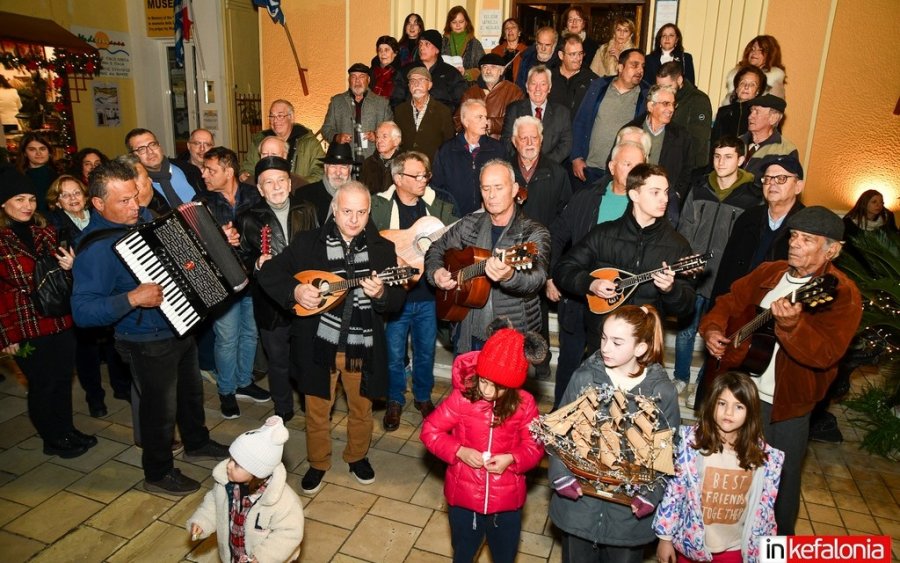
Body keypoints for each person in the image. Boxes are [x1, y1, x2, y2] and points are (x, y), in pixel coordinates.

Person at [700, 206, 862, 535]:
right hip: (740, 394)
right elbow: (729, 300)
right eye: (793, 236)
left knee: (779, 490)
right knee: (728, 476)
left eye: (807, 239)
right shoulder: (770, 272)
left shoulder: (841, 294)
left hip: (785, 407)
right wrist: (713, 329)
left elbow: (826, 354)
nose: (795, 244)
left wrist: (790, 328)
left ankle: (776, 552)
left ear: (831, 250)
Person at [72, 160, 229, 495]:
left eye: (135, 196)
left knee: (190, 394)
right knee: (159, 409)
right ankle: (157, 473)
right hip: (143, 339)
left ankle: (197, 443)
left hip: (180, 324)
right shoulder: (95, 249)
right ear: (98, 204)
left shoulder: (143, 218)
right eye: (124, 201)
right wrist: (131, 298)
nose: (135, 206)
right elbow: (82, 311)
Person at [257, 181, 406, 495]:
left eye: (361, 212)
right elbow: (270, 273)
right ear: (335, 211)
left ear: (369, 213)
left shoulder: (382, 250)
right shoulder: (307, 243)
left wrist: (381, 293)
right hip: (318, 344)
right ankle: (318, 461)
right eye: (347, 211)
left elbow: (396, 302)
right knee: (317, 410)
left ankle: (357, 457)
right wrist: (296, 290)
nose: (354, 219)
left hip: (360, 346)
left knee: (361, 408)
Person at [549, 304, 680, 563]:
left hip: (627, 520)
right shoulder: (584, 377)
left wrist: (651, 495)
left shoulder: (662, 392)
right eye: (604, 338)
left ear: (640, 348)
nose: (606, 348)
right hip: (580, 511)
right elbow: (558, 432)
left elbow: (665, 453)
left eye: (617, 342)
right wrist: (561, 476)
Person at [421, 326, 545, 563]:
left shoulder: (524, 404)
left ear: (512, 385)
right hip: (464, 498)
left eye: (497, 386)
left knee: (504, 556)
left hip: (506, 501)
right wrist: (458, 451)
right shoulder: (462, 399)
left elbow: (535, 445)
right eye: (484, 382)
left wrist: (513, 458)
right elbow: (431, 430)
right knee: (463, 553)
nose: (487, 391)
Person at [554, 164, 696, 357]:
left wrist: (671, 290)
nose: (664, 199)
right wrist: (591, 283)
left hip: (645, 345)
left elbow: (686, 307)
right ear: (634, 195)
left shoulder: (677, 245)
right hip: (603, 343)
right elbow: (563, 269)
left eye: (665, 192)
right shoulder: (603, 234)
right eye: (655, 192)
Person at [0, 165, 91, 459]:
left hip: (59, 319)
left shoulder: (47, 232)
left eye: (30, 199)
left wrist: (69, 268)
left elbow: (61, 277)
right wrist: (6, 336)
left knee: (64, 378)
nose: (27, 206)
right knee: (42, 383)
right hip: (24, 325)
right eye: (19, 200)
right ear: (3, 203)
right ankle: (52, 439)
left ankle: (66, 429)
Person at [548, 139, 647, 407]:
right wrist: (550, 276)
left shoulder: (645, 207)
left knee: (604, 370)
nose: (634, 170)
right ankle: (559, 418)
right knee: (569, 362)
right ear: (612, 166)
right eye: (627, 164)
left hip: (617, 305)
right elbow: (557, 236)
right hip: (577, 297)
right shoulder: (587, 197)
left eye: (640, 165)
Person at [653, 372, 784, 563]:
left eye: (738, 406)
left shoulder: (764, 459)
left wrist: (768, 555)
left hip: (736, 548)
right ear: (711, 404)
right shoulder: (690, 447)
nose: (728, 413)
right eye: (722, 403)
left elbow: (765, 513)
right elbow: (674, 494)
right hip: (692, 546)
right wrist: (665, 539)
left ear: (751, 412)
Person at [426, 160, 550, 355]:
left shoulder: (533, 233)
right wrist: (436, 272)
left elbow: (537, 278)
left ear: (514, 189)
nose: (491, 195)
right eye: (485, 188)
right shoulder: (469, 223)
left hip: (511, 334)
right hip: (467, 330)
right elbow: (436, 248)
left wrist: (510, 276)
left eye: (498, 188)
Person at [370, 151, 457, 430]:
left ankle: (422, 397)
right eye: (416, 175)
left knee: (425, 352)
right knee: (394, 353)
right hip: (396, 299)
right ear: (398, 178)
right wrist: (394, 258)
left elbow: (452, 244)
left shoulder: (436, 208)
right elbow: (373, 242)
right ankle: (394, 399)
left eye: (425, 175)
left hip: (428, 298)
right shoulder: (380, 207)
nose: (423, 180)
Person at [673, 136, 762, 405]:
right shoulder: (699, 188)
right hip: (695, 273)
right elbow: (685, 227)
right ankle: (680, 377)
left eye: (728, 157)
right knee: (686, 330)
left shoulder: (752, 197)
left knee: (716, 334)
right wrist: (684, 262)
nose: (721, 162)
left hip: (726, 279)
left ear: (741, 159)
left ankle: (705, 384)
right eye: (717, 156)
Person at [237, 156, 318, 422]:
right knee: (278, 359)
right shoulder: (248, 219)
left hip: (306, 294)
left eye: (281, 180)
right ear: (259, 189)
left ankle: (311, 403)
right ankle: (283, 407)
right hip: (270, 302)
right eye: (268, 183)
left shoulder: (307, 209)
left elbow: (320, 248)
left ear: (289, 182)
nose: (276, 187)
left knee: (306, 355)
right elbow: (241, 259)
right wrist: (255, 263)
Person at [47, 174, 132, 416]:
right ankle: (95, 397)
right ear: (57, 201)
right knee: (87, 354)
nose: (72, 198)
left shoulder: (100, 218)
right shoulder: (56, 228)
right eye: (65, 194)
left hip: (110, 291)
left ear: (88, 198)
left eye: (76, 192)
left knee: (113, 346)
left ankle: (121, 387)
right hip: (81, 294)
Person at [196, 147, 269, 418]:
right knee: (227, 338)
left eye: (211, 170)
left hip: (252, 278)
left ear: (229, 172)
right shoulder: (201, 201)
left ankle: (243, 382)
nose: (204, 174)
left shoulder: (253, 194)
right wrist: (218, 238)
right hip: (222, 282)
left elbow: (266, 230)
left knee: (250, 334)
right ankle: (226, 390)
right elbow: (193, 243)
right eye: (204, 169)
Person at [188, 416, 304, 563]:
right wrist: (202, 521)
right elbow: (213, 503)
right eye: (231, 459)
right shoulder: (225, 485)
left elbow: (289, 534)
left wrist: (262, 557)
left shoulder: (283, 501)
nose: (229, 465)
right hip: (233, 556)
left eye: (237, 464)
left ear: (256, 471)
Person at [570, 49, 648, 190]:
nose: (640, 70)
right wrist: (576, 157)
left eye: (642, 66)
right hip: (591, 168)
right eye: (634, 65)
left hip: (622, 173)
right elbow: (580, 122)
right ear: (620, 67)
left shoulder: (645, 96)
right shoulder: (598, 87)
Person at [622, 84, 693, 223]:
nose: (671, 109)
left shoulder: (682, 136)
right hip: (632, 195)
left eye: (673, 104)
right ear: (650, 106)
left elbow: (688, 170)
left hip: (665, 199)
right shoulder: (631, 131)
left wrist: (677, 194)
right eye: (666, 104)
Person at [431, 99, 506, 216]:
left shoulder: (497, 149)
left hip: (488, 217)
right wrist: (450, 212)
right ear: (465, 121)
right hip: (454, 218)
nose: (485, 122)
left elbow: (505, 183)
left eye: (485, 117)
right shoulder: (446, 151)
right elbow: (437, 188)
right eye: (479, 117)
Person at [240, 99, 325, 184]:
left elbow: (320, 171)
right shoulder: (260, 141)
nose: (275, 120)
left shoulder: (309, 142)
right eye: (272, 116)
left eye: (280, 116)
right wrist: (244, 174)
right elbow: (248, 168)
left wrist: (297, 185)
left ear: (291, 117)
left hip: (300, 194)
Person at [322, 63, 393, 163]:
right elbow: (326, 129)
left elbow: (391, 132)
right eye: (353, 77)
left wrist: (376, 136)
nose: (357, 81)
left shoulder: (382, 103)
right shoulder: (336, 101)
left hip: (374, 162)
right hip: (344, 162)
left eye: (361, 77)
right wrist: (336, 137)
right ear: (349, 80)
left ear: (368, 80)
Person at [501, 65, 572, 164]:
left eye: (543, 84)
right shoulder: (514, 110)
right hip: (520, 167)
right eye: (533, 83)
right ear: (527, 86)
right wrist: (524, 161)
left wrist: (542, 164)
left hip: (551, 169)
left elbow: (566, 144)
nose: (538, 89)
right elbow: (506, 141)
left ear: (549, 88)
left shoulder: (562, 113)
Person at [125, 128, 205, 211]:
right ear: (132, 156)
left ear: (159, 146)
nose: (150, 152)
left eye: (152, 144)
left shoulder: (189, 169)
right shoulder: (137, 189)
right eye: (141, 149)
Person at [655, 61, 712, 173]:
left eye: (667, 86)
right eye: (659, 87)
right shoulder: (661, 98)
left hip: (689, 168)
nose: (663, 91)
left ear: (679, 80)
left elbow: (698, 140)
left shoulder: (698, 100)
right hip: (667, 163)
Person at [394, 66, 456, 164]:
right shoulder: (399, 111)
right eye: (413, 81)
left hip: (433, 168)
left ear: (430, 85)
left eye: (421, 80)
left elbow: (449, 144)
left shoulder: (443, 111)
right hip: (406, 168)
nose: (416, 84)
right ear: (409, 86)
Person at [398, 29, 467, 114]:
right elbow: (397, 99)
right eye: (420, 44)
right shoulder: (406, 71)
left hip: (441, 120)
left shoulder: (451, 73)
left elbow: (459, 101)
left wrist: (442, 113)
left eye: (427, 44)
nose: (422, 48)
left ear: (437, 50)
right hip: (411, 119)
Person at [456, 53, 524, 139]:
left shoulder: (514, 91)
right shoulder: (471, 92)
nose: (488, 71)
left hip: (504, 144)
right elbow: (458, 119)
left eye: (493, 67)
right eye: (485, 67)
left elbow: (518, 120)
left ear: (501, 71)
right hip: (475, 143)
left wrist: (490, 123)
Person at [739, 94, 797, 179]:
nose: (750, 116)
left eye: (757, 112)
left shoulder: (786, 151)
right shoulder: (737, 142)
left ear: (773, 118)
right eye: (751, 111)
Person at [296, 142, 355, 224]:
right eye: (333, 166)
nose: (338, 172)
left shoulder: (359, 198)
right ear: (325, 168)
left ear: (350, 170)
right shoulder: (305, 196)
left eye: (343, 166)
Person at [710, 65, 767, 148]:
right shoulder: (724, 112)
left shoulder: (762, 114)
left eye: (752, 84)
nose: (746, 87)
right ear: (737, 87)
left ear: (758, 91)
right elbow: (714, 143)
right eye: (743, 83)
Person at [721, 35, 786, 105]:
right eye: (752, 49)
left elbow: (774, 110)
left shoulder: (773, 80)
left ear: (770, 54)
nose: (754, 52)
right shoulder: (736, 76)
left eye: (760, 50)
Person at [548, 34, 599, 121]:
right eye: (573, 54)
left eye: (580, 53)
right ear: (561, 55)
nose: (578, 58)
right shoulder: (548, 77)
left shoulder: (591, 80)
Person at [16, 132, 58, 213]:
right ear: (24, 153)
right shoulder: (16, 177)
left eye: (42, 149)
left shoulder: (59, 175)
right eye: (32, 149)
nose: (38, 153)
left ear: (49, 152)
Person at [441, 6, 485, 82]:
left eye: (461, 22)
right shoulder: (442, 43)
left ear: (466, 23)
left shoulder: (475, 44)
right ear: (449, 24)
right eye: (454, 22)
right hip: (446, 87)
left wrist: (466, 73)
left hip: (469, 88)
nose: (458, 25)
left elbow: (484, 68)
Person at [360, 121, 402, 194]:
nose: (378, 140)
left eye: (384, 136)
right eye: (377, 137)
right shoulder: (368, 163)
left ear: (396, 141)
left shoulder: (405, 163)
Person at [515, 26, 559, 91]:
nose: (543, 49)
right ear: (536, 43)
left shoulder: (561, 64)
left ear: (554, 45)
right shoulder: (526, 59)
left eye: (547, 45)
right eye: (540, 44)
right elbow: (519, 87)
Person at [558, 6, 599, 71]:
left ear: (583, 24)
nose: (574, 22)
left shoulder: (592, 45)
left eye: (578, 19)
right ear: (566, 23)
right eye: (570, 19)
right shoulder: (557, 42)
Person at [490, 18, 527, 83]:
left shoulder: (527, 51)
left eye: (513, 27)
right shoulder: (496, 51)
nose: (510, 30)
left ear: (519, 32)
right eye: (507, 28)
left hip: (519, 90)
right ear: (504, 35)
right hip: (500, 89)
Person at [369, 35, 401, 103]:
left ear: (395, 53)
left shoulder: (401, 74)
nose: (383, 53)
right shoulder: (370, 73)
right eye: (380, 50)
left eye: (387, 50)